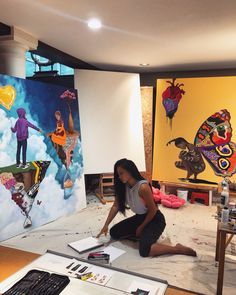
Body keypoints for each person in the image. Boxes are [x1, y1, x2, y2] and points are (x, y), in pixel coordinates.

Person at [97, 158, 197, 258]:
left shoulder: (143, 187)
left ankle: (177, 249)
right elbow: (116, 206)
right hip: (140, 217)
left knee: (144, 251)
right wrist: (106, 225)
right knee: (114, 232)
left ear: (130, 171)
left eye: (121, 173)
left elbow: (153, 210)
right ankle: (143, 236)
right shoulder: (124, 186)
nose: (119, 177)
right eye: (118, 174)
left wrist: (141, 227)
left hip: (154, 219)